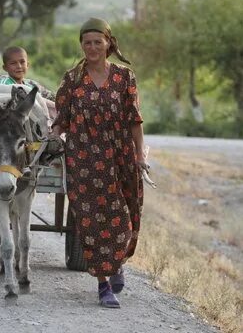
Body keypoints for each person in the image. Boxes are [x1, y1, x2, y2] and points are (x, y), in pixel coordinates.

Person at [51, 18, 148, 308]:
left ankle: (116, 263)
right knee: (93, 222)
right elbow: (62, 120)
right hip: (84, 159)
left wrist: (140, 155)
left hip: (120, 155)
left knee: (126, 218)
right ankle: (104, 285)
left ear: (108, 43)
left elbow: (134, 120)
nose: (92, 47)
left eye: (98, 41)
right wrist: (52, 137)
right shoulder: (73, 79)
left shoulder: (124, 77)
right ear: (82, 45)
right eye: (87, 42)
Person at [0, 46, 57, 121]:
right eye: (13, 63)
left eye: (22, 62)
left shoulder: (30, 85)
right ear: (5, 68)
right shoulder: (4, 85)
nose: (19, 66)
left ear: (27, 65)